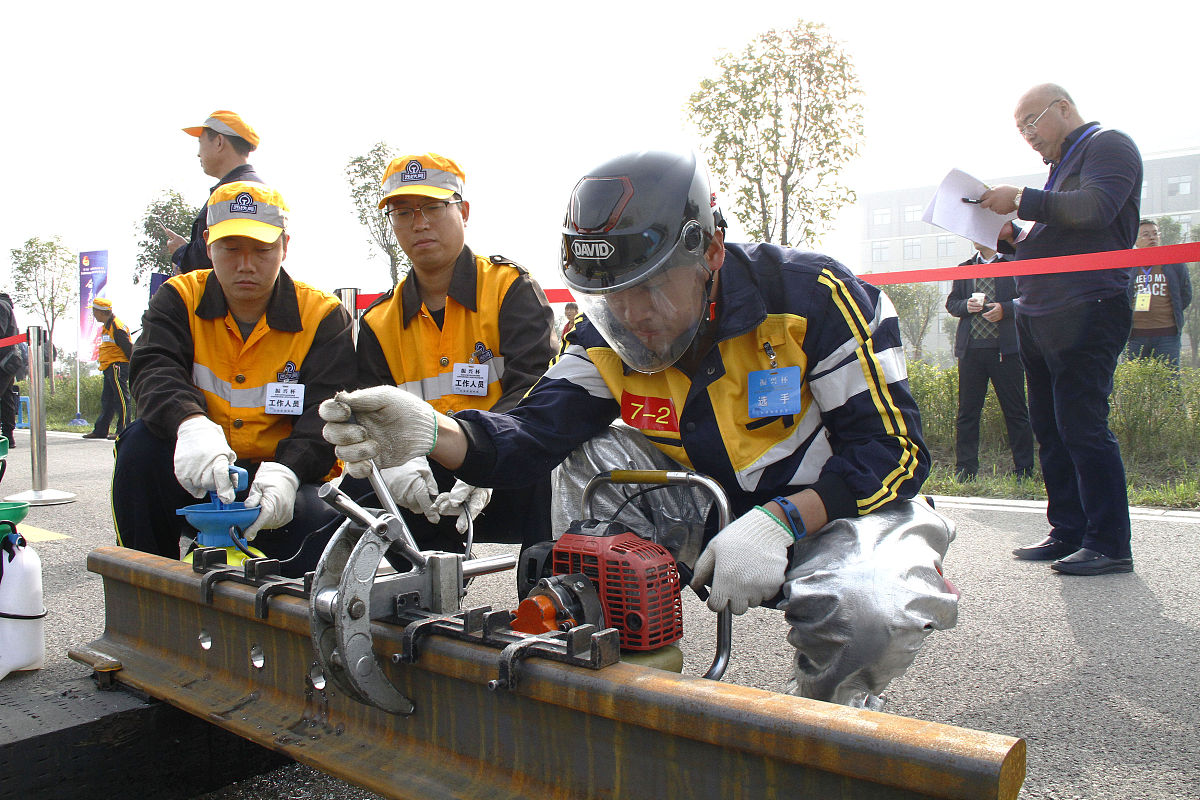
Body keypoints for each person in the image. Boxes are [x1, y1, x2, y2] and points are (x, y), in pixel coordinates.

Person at [323, 150, 959, 709]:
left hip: (834, 509)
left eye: (651, 288)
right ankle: (620, 676)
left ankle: (832, 724)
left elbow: (894, 451)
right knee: (585, 457)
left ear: (709, 251)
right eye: (610, 297)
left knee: (868, 611)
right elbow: (533, 437)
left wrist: (784, 520)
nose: (634, 316)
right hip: (705, 507)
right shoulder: (610, 336)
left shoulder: (813, 298)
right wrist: (434, 434)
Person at [113, 181, 356, 578]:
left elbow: (326, 412)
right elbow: (154, 368)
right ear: (208, 245)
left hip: (279, 478)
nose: (246, 265)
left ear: (285, 246)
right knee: (138, 449)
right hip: (197, 463)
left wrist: (289, 471)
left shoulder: (322, 316)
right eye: (231, 249)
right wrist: (189, 424)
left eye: (262, 250)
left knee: (322, 525)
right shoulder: (179, 299)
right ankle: (149, 586)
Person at [350, 153, 556, 555]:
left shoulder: (508, 288)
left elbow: (535, 387)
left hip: (506, 465)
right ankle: (416, 599)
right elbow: (370, 411)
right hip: (422, 473)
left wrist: (486, 447)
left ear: (463, 210)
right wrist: (395, 464)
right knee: (358, 491)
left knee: (554, 469)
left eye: (432, 207)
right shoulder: (378, 321)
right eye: (403, 211)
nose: (419, 223)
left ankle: (545, 603)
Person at [980, 84, 1140, 576]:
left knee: (1082, 424)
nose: (1028, 136)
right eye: (1020, 129)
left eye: (1032, 122)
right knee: (1049, 427)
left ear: (1064, 108)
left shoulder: (1108, 146)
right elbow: (1055, 235)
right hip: (1040, 312)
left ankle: (1109, 540)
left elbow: (1095, 209)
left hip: (1088, 306)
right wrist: (1009, 238)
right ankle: (1068, 528)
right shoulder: (1058, 172)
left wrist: (1024, 200)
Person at [944, 243, 1034, 481]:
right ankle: (965, 471)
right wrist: (966, 305)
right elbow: (952, 303)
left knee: (1015, 411)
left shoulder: (1014, 263)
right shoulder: (965, 268)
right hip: (971, 350)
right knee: (967, 413)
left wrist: (1005, 309)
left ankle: (1024, 471)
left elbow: (1029, 297)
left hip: (1005, 351)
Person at [160, 111, 263, 275]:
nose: (198, 153)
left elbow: (226, 252)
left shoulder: (241, 191)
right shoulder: (240, 187)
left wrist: (182, 252)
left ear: (219, 142)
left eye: (200, 142)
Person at [1125, 219, 1191, 368]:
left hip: (1167, 334)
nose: (1152, 238)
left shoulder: (1174, 262)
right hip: (1135, 335)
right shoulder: (1127, 265)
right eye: (1146, 235)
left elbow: (1185, 295)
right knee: (1134, 384)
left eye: (1155, 234)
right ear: (1135, 240)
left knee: (1170, 383)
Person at [82, 298, 133, 440]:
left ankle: (122, 430)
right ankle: (101, 430)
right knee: (107, 399)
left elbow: (129, 349)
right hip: (109, 367)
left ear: (100, 312)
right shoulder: (107, 326)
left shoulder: (116, 327)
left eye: (94, 311)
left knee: (121, 399)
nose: (93, 314)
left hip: (117, 366)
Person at [0, 292, 20, 447]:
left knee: (6, 397)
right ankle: (8, 437)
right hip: (8, 360)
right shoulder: (7, 306)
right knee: (7, 398)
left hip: (3, 360)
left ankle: (8, 436)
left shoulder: (1, 306)